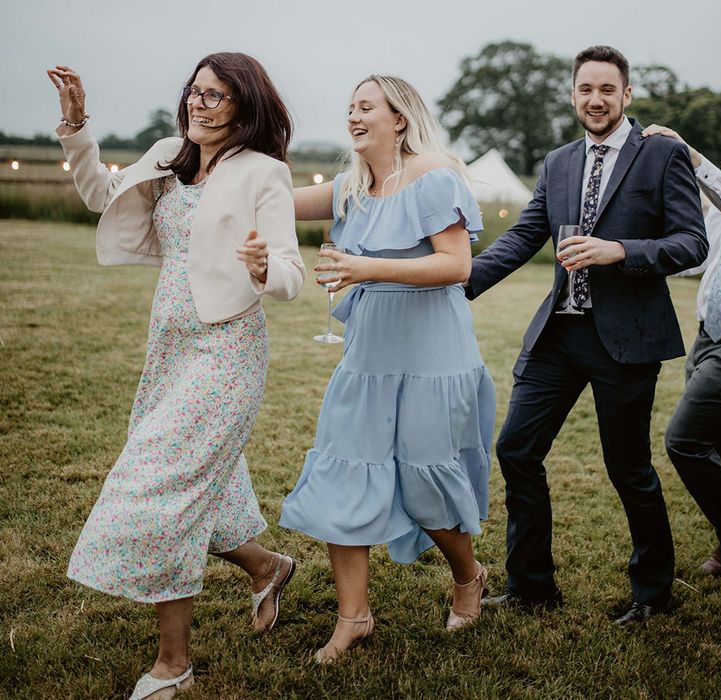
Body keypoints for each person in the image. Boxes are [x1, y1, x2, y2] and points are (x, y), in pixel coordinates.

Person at [47, 53, 305, 699]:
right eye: (195, 93)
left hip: (227, 352)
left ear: (243, 105)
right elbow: (100, 195)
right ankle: (268, 566)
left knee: (164, 486)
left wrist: (261, 268)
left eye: (216, 96)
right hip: (168, 347)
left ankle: (173, 666)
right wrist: (77, 127)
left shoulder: (265, 173)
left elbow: (292, 275)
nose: (199, 104)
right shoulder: (170, 154)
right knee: (198, 486)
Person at [465, 45, 708, 626]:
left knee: (628, 468)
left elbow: (692, 242)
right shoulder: (558, 162)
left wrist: (620, 250)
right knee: (516, 449)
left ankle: (653, 592)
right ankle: (531, 586)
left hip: (627, 341)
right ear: (573, 95)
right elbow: (524, 237)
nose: (595, 100)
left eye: (607, 90)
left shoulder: (661, 155)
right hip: (559, 336)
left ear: (626, 95)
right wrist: (456, 282)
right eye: (585, 90)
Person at [279, 75, 496, 662]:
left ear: (399, 118)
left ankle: (468, 576)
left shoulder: (432, 176)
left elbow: (456, 266)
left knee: (427, 484)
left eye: (366, 106)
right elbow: (274, 199)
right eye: (349, 106)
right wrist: (224, 162)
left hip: (432, 352)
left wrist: (363, 266)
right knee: (344, 476)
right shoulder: (351, 186)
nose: (353, 115)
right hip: (369, 354)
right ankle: (354, 618)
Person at [642, 115, 721, 576]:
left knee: (686, 441)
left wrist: (693, 155)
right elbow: (697, 262)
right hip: (709, 336)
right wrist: (631, 258)